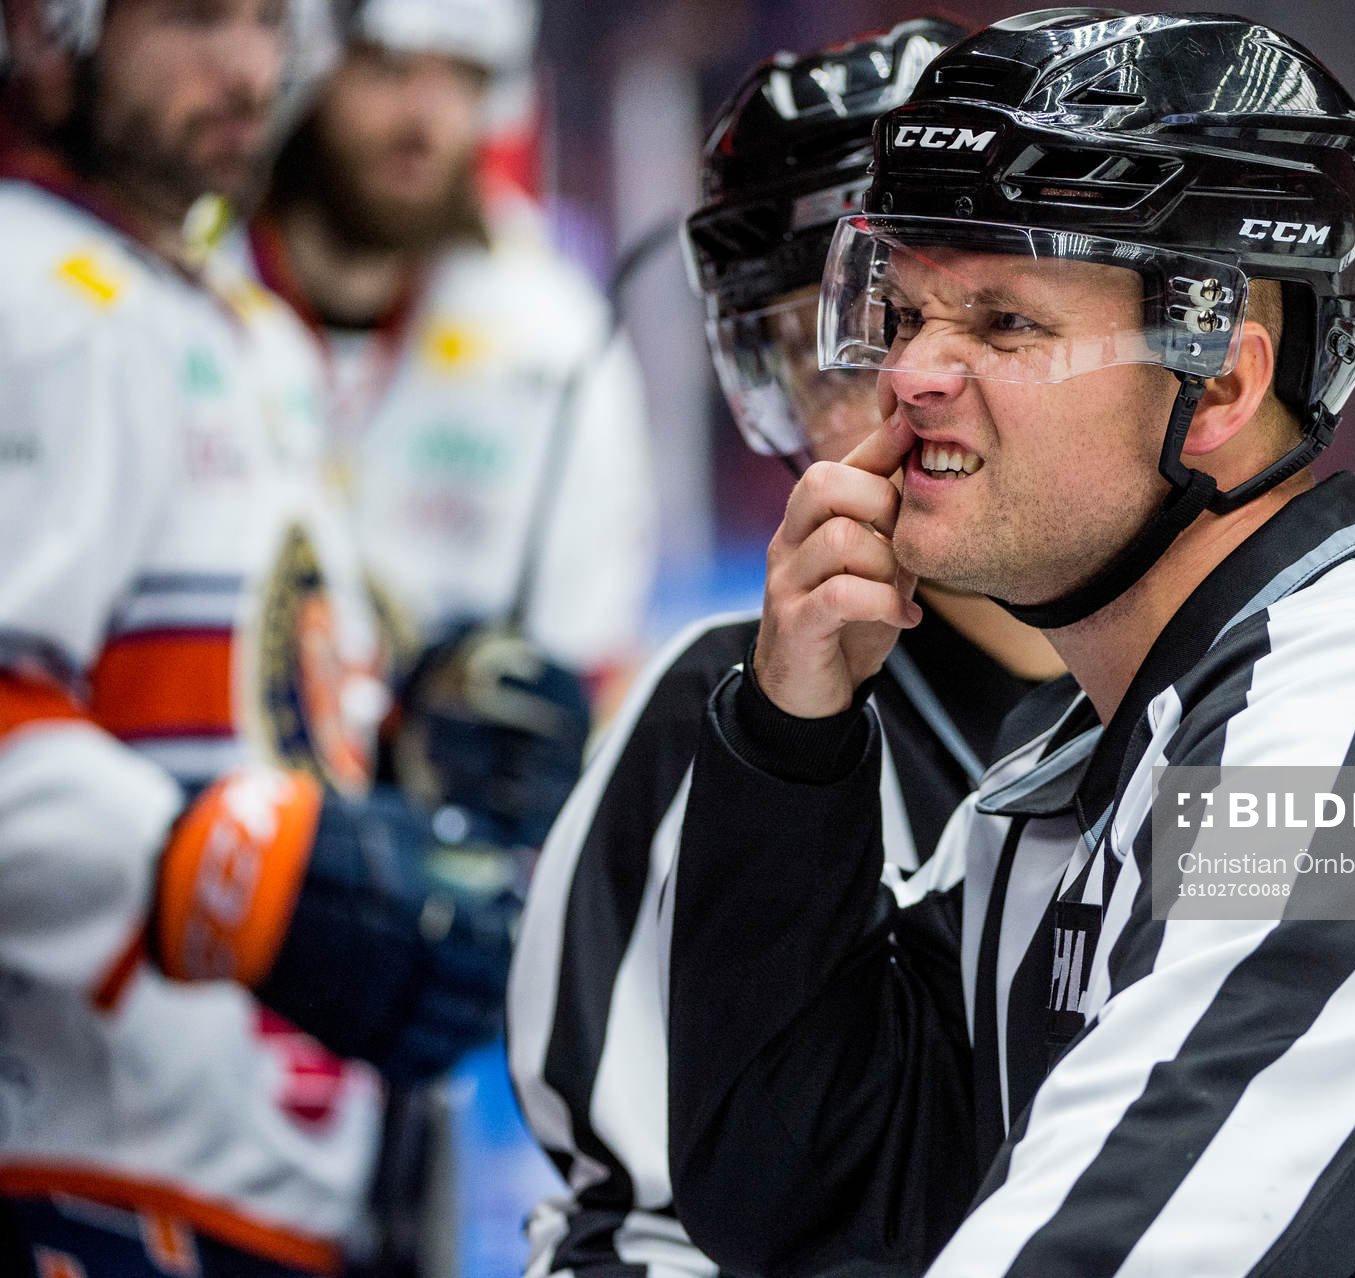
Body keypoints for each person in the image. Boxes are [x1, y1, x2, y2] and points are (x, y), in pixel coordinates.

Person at [644, 11, 1355, 1276]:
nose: (909, 375)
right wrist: (792, 748)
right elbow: (808, 1198)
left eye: (1006, 322)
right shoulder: (1068, 783)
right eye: (905, 315)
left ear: (1222, 389)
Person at [503, 20, 1075, 1276]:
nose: (900, 389)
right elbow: (634, 1231)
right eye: (821, 345)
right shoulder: (712, 721)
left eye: (965, 314)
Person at [0, 2, 517, 1273]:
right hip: (78, 1182)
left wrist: (414, 734)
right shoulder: (25, 292)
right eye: (192, 15)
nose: (246, 68)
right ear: (44, 27)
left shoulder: (240, 325)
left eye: (268, 20)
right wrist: (236, 874)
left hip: (273, 1186)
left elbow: (252, 698)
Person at [242, 0, 654, 714]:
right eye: (389, 68)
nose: (425, 118)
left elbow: (596, 670)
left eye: (464, 76)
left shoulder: (557, 340)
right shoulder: (187, 290)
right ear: (303, 66)